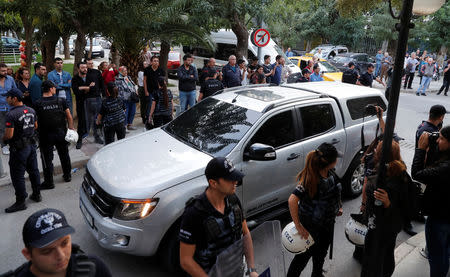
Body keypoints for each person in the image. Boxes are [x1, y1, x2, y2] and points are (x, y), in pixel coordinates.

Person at [179, 157, 258, 277]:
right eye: (230, 179)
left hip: (235, 271)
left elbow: (245, 232)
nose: (235, 182)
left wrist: (251, 269)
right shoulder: (194, 213)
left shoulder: (232, 200)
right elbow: (186, 260)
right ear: (213, 183)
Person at [1, 208, 112, 276]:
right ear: (28, 254)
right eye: (47, 251)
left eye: (64, 243)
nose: (61, 255)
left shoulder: (95, 267)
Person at [287, 143, 343, 277]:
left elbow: (332, 195)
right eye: (336, 158)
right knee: (301, 260)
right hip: (310, 229)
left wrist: (337, 208)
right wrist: (298, 226)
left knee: (320, 255)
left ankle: (317, 274)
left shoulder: (331, 174)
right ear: (330, 162)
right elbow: (292, 200)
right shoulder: (310, 179)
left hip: (327, 226)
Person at [361, 140, 411, 277]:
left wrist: (387, 203)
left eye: (377, 149)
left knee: (374, 259)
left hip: (381, 228)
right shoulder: (401, 172)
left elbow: (401, 205)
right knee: (387, 254)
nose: (375, 151)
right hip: (392, 228)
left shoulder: (385, 180)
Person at [412, 126, 450, 277]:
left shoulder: (446, 168)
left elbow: (417, 174)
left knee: (436, 256)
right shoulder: (445, 161)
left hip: (440, 217)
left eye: (441, 138)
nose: (438, 141)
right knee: (445, 251)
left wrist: (420, 149)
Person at [2, 88, 41, 213]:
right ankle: (36, 194)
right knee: (33, 171)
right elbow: (35, 126)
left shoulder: (11, 114)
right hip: (31, 146)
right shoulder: (31, 110)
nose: (6, 99)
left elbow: (9, 135)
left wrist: (3, 139)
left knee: (17, 175)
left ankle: (20, 202)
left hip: (19, 149)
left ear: (14, 99)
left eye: (8, 97)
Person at [34, 80, 74, 191]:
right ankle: (67, 176)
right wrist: (71, 129)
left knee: (47, 159)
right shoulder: (61, 100)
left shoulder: (37, 103)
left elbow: (35, 121)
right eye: (54, 88)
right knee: (64, 155)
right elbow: (69, 117)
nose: (55, 89)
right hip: (61, 133)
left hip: (45, 136)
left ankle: (49, 182)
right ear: (51, 89)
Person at [84, 58, 105, 144]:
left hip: (97, 97)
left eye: (92, 63)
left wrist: (104, 96)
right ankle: (89, 134)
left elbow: (102, 84)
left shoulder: (97, 72)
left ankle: (98, 135)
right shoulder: (84, 74)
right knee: (90, 118)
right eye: (89, 63)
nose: (91, 65)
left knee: (98, 117)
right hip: (88, 99)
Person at [0, 63, 17, 155]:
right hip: (0, 109)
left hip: (11, 107)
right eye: (2, 71)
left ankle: (12, 143)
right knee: (2, 128)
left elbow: (15, 90)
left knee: (12, 127)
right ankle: (4, 145)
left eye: (6, 70)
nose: (5, 72)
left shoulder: (10, 79)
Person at [71, 62, 89, 149]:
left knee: (93, 119)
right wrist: (86, 88)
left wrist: (81, 88)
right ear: (78, 69)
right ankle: (79, 140)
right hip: (80, 103)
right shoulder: (75, 79)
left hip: (90, 102)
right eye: (82, 67)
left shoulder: (89, 77)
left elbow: (94, 89)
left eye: (86, 67)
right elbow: (76, 92)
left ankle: (97, 136)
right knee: (81, 121)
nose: (85, 69)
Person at [115, 66, 138, 130]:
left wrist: (135, 90)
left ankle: (130, 124)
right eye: (124, 71)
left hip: (132, 98)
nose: (126, 72)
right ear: (120, 71)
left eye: (126, 70)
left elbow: (133, 85)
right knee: (125, 112)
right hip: (125, 99)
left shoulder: (128, 77)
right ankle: (124, 126)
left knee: (132, 111)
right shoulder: (118, 79)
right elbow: (120, 91)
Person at [144, 55, 165, 122]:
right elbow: (144, 80)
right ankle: (148, 120)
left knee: (158, 105)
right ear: (151, 62)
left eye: (157, 61)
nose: (156, 62)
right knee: (150, 105)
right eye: (154, 61)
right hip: (150, 91)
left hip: (158, 91)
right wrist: (146, 91)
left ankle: (156, 118)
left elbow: (163, 81)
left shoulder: (161, 70)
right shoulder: (147, 69)